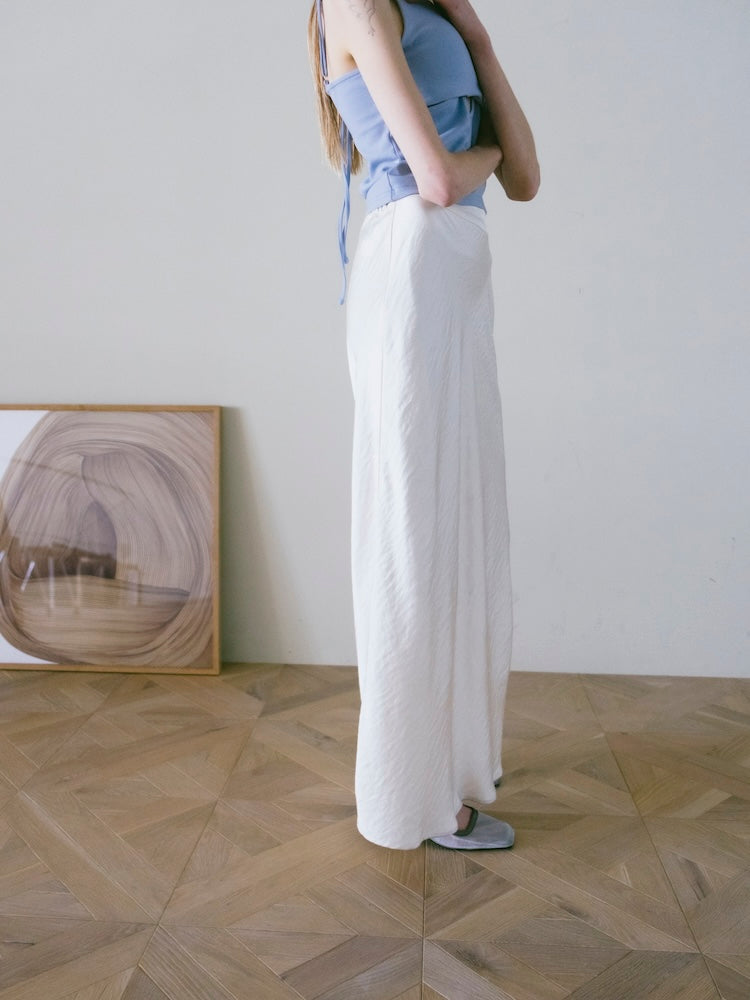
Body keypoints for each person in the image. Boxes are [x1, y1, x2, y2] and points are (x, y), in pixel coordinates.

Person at [308, 0, 539, 850]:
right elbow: (439, 180)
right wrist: (485, 155)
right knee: (412, 534)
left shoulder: (428, 10)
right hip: (414, 264)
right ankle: (407, 798)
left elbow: (527, 177)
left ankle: (453, 766)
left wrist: (478, 37)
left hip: (452, 271)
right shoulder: (358, 4)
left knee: (456, 525)